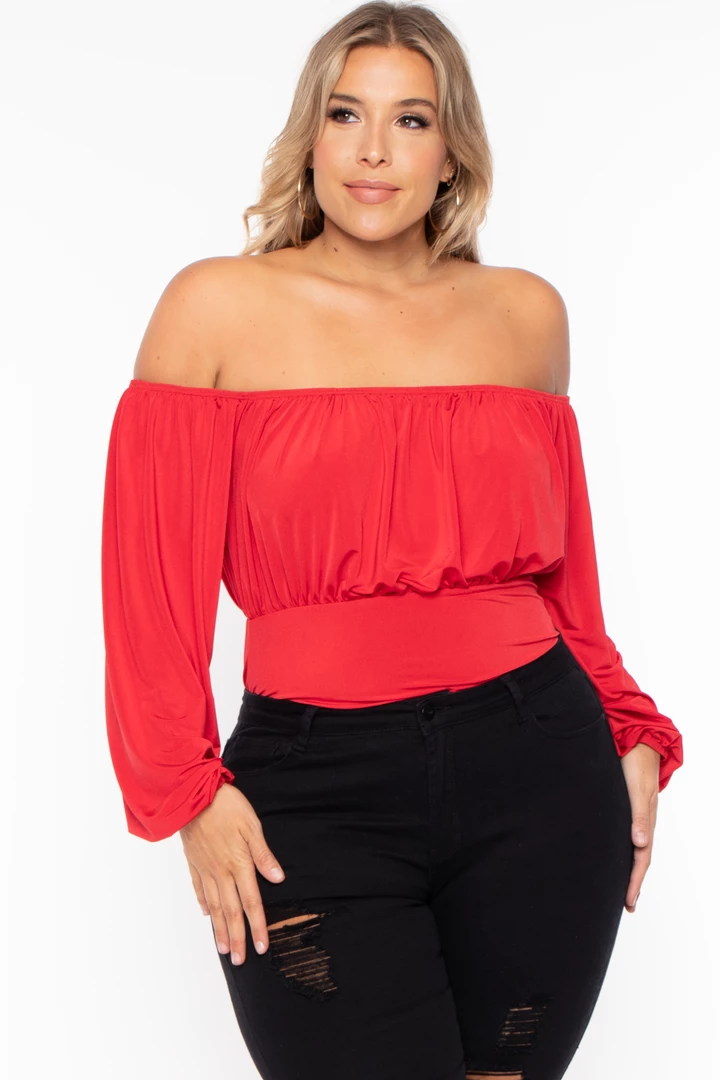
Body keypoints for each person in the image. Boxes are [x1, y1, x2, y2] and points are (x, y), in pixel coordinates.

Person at [100, 3, 684, 1078]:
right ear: (309, 136)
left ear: (452, 152)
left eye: (411, 119)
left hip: (542, 771)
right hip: (311, 789)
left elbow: (566, 583)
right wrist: (186, 793)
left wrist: (630, 730)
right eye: (345, 114)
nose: (373, 150)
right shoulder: (214, 309)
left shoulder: (525, 318)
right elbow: (150, 589)